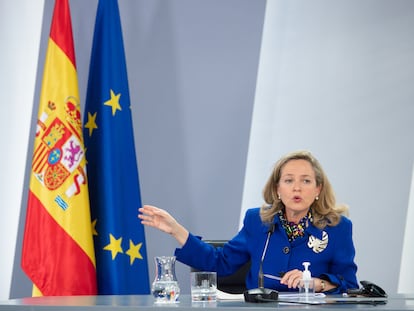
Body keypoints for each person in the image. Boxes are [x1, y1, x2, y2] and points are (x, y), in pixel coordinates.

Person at [138, 150, 358, 294]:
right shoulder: (258, 221)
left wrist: (317, 283)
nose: (297, 188)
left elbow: (349, 286)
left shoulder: (337, 228)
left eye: (306, 181)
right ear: (277, 189)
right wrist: (176, 230)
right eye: (289, 180)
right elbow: (220, 263)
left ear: (318, 189)